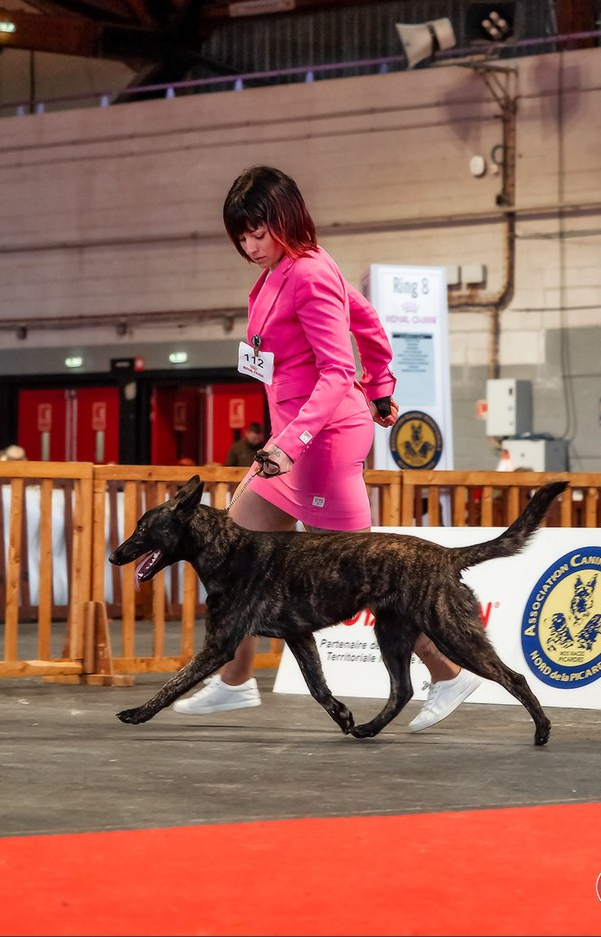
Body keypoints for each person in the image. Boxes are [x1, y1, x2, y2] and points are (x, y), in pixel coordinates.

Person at [172, 166, 479, 730]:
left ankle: (448, 673)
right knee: (234, 557)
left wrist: (299, 439)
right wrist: (380, 385)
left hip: (321, 444)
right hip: (291, 443)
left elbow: (337, 371)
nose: (250, 246)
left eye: (258, 233)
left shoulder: (310, 272)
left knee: (372, 578)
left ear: (286, 219)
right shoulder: (287, 268)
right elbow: (368, 321)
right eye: (242, 236)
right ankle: (234, 682)